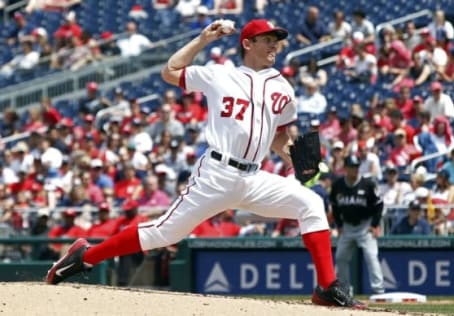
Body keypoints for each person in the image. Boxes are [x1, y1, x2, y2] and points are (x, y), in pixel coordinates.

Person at [45, 18, 364, 309]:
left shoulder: (283, 87)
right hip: (217, 173)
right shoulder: (219, 75)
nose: (274, 45)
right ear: (247, 43)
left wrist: (297, 159)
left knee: (310, 202)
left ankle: (326, 287)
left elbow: (278, 137)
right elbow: (169, 72)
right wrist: (202, 40)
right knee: (163, 234)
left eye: (276, 40)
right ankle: (84, 257)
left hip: (254, 178)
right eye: (267, 39)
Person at [330, 155, 385, 295]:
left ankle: (379, 290)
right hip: (347, 227)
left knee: (371, 257)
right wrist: (339, 225)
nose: (355, 170)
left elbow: (379, 205)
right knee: (340, 257)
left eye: (356, 167)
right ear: (346, 168)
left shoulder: (368, 184)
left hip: (365, 226)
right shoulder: (338, 185)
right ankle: (344, 290)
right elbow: (335, 207)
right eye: (352, 167)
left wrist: (375, 224)